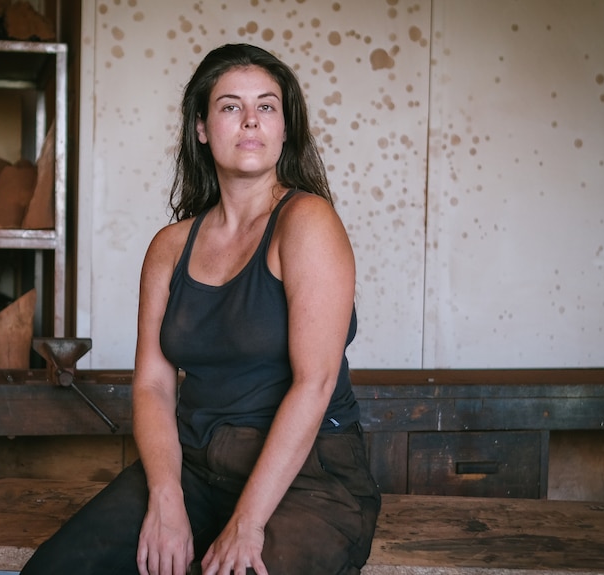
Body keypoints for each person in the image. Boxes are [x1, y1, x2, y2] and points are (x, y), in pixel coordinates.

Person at [20, 43, 381, 575]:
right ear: (202, 128)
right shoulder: (170, 246)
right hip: (193, 466)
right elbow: (152, 386)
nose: (251, 120)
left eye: (268, 106)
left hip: (308, 477)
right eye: (231, 106)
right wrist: (166, 500)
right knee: (55, 570)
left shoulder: (307, 222)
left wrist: (247, 522)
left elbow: (315, 382)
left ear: (286, 128)